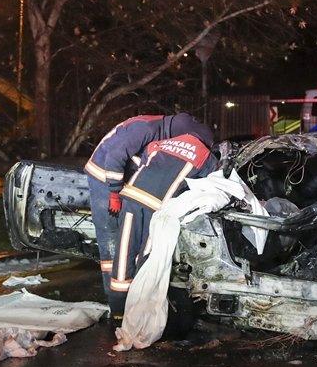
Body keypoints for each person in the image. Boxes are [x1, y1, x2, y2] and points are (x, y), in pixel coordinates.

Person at [85, 113, 213, 290]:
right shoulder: (146, 128)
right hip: (103, 177)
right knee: (111, 234)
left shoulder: (160, 131)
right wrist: (114, 193)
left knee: (125, 238)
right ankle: (113, 289)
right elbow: (114, 157)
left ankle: (124, 286)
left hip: (121, 181)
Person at [108, 131, 218, 320]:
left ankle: (117, 309)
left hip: (132, 197)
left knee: (124, 250)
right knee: (146, 256)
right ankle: (138, 312)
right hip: (158, 208)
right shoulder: (206, 156)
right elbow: (207, 186)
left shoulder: (161, 143)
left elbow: (141, 162)